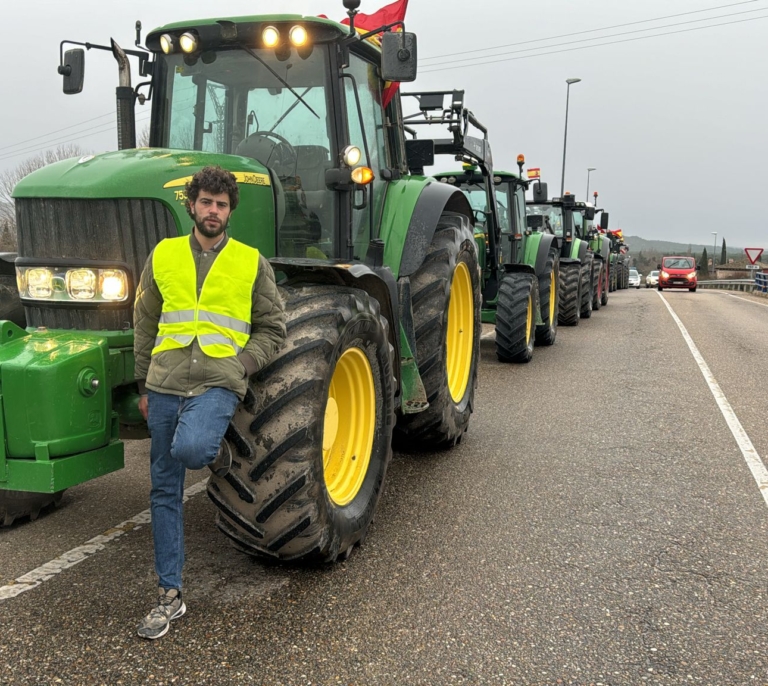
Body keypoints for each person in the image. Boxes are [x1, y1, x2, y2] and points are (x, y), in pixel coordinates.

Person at [133, 165, 286, 640]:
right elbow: (144, 320)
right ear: (192, 205)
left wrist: (243, 365)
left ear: (229, 210)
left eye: (221, 204)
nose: (213, 211)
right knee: (163, 492)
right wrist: (142, 383)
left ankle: (216, 452)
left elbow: (273, 327)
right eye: (205, 202)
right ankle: (170, 596)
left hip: (218, 381)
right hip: (164, 382)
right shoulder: (164, 254)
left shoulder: (250, 261)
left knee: (193, 450)